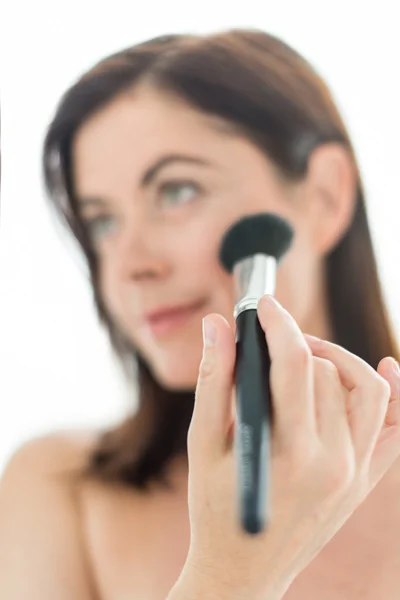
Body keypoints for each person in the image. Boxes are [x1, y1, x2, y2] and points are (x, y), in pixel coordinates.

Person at [0, 28, 399, 600]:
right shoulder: (60, 492)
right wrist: (231, 575)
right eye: (103, 223)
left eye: (177, 191)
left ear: (325, 195)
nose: (129, 264)